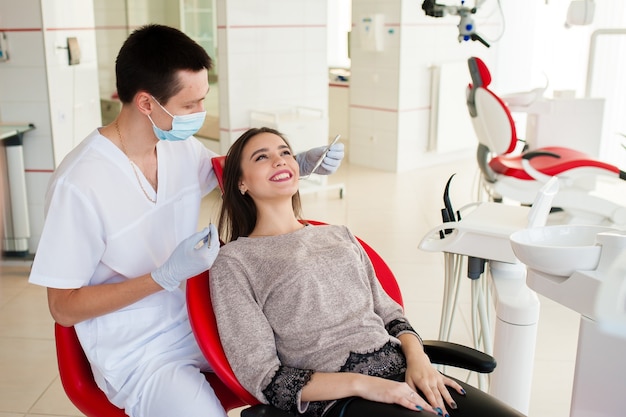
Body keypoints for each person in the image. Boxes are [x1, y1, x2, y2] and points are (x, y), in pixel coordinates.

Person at [28, 25, 343, 417]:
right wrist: (161, 277)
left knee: (320, 360)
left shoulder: (178, 146)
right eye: (190, 105)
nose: (200, 114)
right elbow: (64, 308)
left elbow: (233, 173)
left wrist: (298, 165)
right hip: (141, 349)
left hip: (204, 315)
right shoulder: (79, 184)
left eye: (202, 100)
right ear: (146, 103)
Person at [209, 127, 527, 417]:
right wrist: (365, 385)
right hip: (342, 400)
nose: (279, 161)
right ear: (240, 182)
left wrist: (419, 359)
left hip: (405, 372)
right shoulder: (235, 262)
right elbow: (263, 378)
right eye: (262, 157)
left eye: (285, 152)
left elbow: (391, 314)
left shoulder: (339, 234)